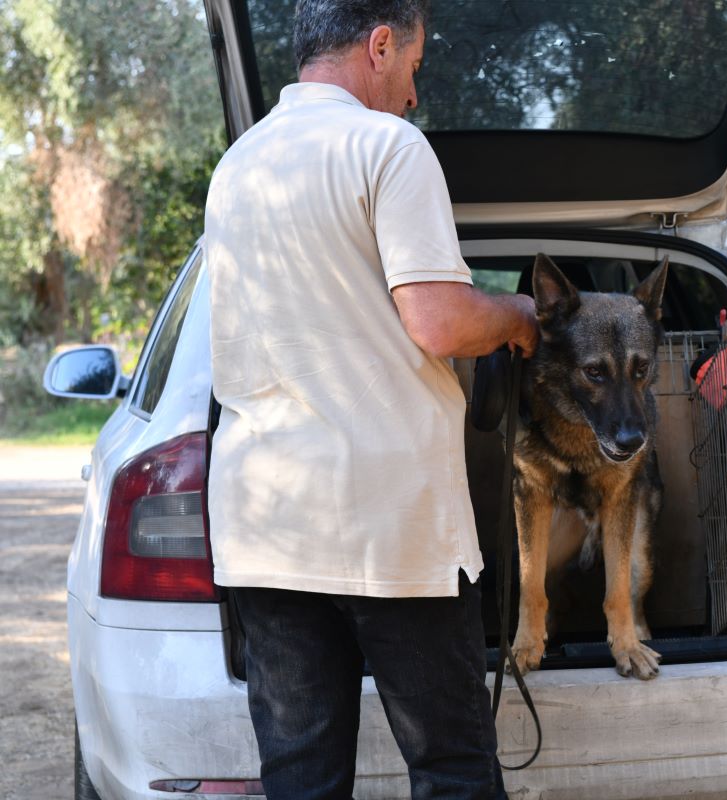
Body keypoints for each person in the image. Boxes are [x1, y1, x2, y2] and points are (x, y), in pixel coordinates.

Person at [203, 0, 539, 796]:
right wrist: (523, 319)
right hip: (392, 533)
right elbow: (441, 321)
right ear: (381, 45)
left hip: (266, 530)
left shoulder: (238, 165)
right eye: (415, 68)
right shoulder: (387, 145)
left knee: (302, 777)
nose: (415, 95)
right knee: (453, 768)